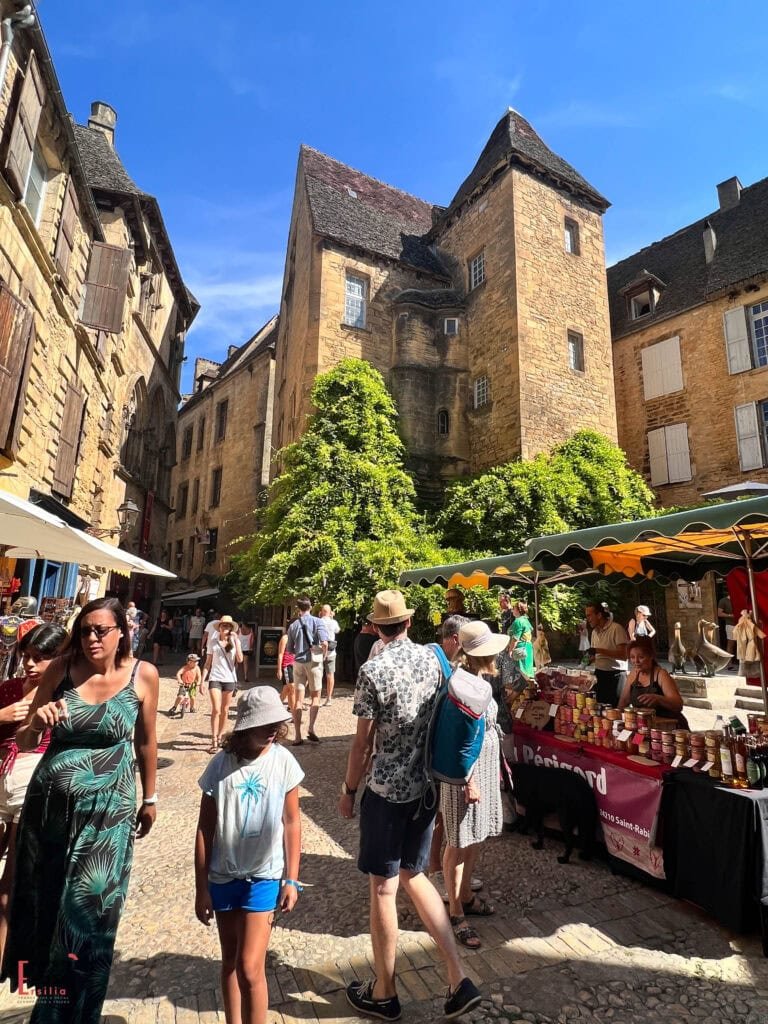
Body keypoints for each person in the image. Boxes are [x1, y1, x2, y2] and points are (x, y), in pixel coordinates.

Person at [2, 597, 159, 1023]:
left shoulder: (143, 676)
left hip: (110, 810)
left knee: (88, 909)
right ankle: (52, 1009)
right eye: (85, 629)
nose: (91, 638)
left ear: (121, 632)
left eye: (101, 630)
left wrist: (150, 797)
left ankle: (76, 1012)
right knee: (49, 908)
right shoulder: (61, 671)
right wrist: (39, 721)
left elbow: (146, 742)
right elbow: (28, 740)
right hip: (51, 810)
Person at [339, 590, 481, 1022]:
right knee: (414, 875)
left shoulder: (373, 669)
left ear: (376, 627)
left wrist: (348, 790)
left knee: (383, 887)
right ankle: (458, 978)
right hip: (426, 789)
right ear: (408, 623)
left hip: (386, 792)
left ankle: (384, 993)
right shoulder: (434, 658)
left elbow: (363, 744)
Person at [195, 687, 303, 1024]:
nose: (272, 729)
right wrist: (201, 888)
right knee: (229, 961)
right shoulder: (220, 766)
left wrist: (292, 878)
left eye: (276, 722)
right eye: (263, 723)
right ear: (244, 726)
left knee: (250, 966)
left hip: (265, 876)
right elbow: (204, 829)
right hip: (223, 876)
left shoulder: (284, 761)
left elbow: (292, 821)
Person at [0, 623, 68, 964]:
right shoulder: (9, 690)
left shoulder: (63, 696)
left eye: (40, 658)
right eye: (27, 656)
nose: (30, 664)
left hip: (30, 784)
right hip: (1, 778)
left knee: (10, 885)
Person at [442, 622, 506, 950]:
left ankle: (465, 895)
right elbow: (457, 737)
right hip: (466, 771)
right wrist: (468, 778)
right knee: (457, 839)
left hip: (480, 766)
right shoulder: (461, 683)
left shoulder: (474, 679)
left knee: (474, 835)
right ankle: (454, 910)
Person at [284, 597, 328, 746]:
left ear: (298, 609)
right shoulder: (318, 622)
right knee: (315, 697)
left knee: (298, 699)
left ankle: (297, 735)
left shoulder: (293, 625)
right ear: (311, 607)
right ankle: (311, 727)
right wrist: (324, 654)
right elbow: (324, 642)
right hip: (313, 662)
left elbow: (289, 649)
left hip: (298, 662)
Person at [618, 636, 687, 725]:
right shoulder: (633, 674)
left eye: (641, 657)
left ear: (651, 656)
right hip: (645, 725)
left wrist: (658, 699)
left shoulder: (661, 674)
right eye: (632, 657)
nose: (636, 661)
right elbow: (624, 701)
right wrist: (616, 718)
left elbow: (678, 704)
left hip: (669, 725)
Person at [201, 615, 242, 754]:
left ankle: (221, 736)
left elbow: (240, 659)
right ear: (219, 627)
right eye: (223, 625)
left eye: (228, 626)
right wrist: (202, 681)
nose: (225, 627)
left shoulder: (234, 641)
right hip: (215, 678)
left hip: (230, 679)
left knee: (225, 710)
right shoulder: (212, 642)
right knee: (216, 709)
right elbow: (207, 663)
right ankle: (214, 739)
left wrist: (237, 642)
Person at [585, 601, 629, 705]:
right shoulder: (594, 632)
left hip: (616, 676)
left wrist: (599, 651)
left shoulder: (616, 629)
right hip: (599, 674)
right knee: (599, 708)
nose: (587, 619)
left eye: (589, 615)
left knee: (614, 710)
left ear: (599, 615)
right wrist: (590, 660)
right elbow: (598, 656)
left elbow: (624, 655)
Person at [508, 600, 535, 685]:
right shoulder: (526, 620)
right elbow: (531, 629)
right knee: (528, 672)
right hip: (528, 648)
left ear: (518, 610)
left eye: (514, 608)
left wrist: (510, 650)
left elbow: (515, 638)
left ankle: (521, 694)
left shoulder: (518, 621)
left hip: (520, 649)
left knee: (521, 674)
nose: (512, 610)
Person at [319, 604, 340, 705]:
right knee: (330, 675)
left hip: (319, 651)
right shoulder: (333, 622)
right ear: (330, 612)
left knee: (316, 674)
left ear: (321, 612)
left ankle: (315, 697)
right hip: (331, 652)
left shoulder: (318, 621)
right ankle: (329, 698)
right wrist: (332, 618)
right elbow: (338, 630)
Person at [276, 625, 296, 706]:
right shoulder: (285, 638)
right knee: (292, 687)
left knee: (286, 689)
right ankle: (293, 709)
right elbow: (280, 654)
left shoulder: (298, 638)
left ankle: (277, 705)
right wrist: (279, 669)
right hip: (287, 665)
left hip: (296, 665)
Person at [717, 593, 736, 667]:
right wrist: (730, 615)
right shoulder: (723, 601)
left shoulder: (739, 599)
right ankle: (729, 664)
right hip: (730, 625)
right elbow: (719, 613)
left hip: (741, 625)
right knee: (731, 644)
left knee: (743, 644)